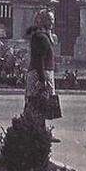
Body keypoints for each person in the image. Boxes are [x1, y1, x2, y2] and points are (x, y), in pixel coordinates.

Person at [24, 8, 61, 142]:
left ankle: (37, 131)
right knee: (38, 102)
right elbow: (39, 59)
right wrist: (42, 79)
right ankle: (35, 132)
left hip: (44, 72)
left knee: (40, 102)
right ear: (44, 21)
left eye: (53, 19)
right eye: (50, 19)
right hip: (40, 73)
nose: (52, 22)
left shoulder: (44, 36)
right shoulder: (40, 37)